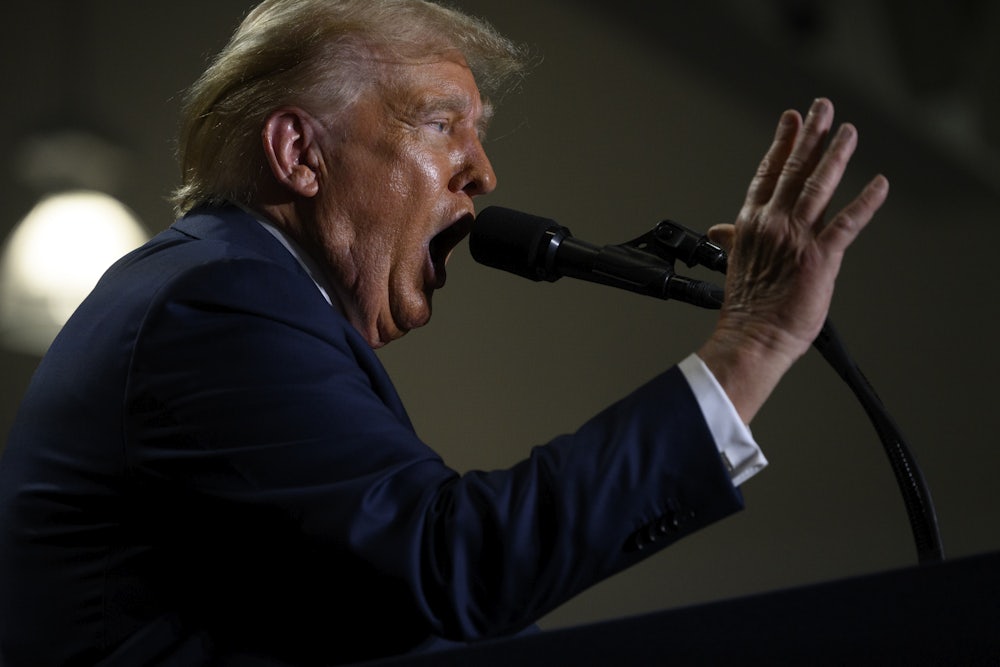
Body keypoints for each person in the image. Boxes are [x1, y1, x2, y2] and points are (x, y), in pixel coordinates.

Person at [0, 0, 888, 665]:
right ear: (300, 154)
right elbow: (450, 560)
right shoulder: (216, 300)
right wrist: (751, 346)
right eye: (439, 123)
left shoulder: (227, 290)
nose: (484, 171)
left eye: (479, 134)